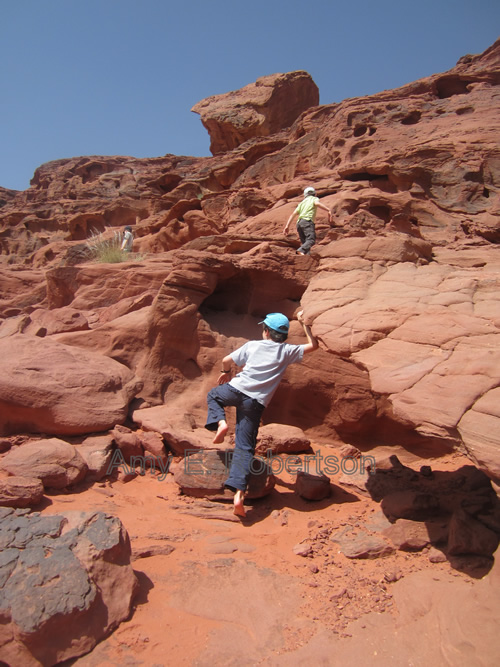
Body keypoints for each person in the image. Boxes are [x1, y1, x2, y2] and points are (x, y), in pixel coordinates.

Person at [205, 310, 318, 517]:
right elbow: (313, 346)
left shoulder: (252, 345)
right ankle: (239, 494)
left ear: (266, 332)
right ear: (282, 336)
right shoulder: (286, 351)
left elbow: (226, 359)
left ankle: (220, 422)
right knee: (245, 447)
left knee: (213, 396)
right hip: (256, 403)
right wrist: (304, 323)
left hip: (236, 389)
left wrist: (225, 372)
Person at [283, 186, 332, 255]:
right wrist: (328, 210)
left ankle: (305, 256)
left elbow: (293, 214)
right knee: (311, 239)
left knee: (305, 243)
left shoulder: (301, 203)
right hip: (307, 221)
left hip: (299, 223)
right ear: (315, 194)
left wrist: (287, 226)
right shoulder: (313, 199)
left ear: (305, 195)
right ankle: (300, 250)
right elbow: (317, 203)